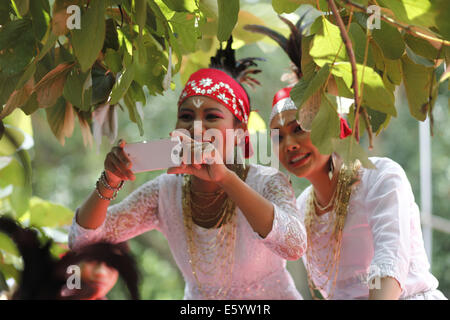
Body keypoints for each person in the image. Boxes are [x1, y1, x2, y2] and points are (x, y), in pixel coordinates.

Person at [68, 38, 307, 300]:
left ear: (239, 132)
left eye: (212, 117)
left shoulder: (267, 181)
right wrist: (110, 179)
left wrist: (226, 178)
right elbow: (83, 244)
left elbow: (294, 245)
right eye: (186, 116)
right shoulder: (165, 192)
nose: (196, 127)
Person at [248, 15, 447, 300]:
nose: (289, 144)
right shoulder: (303, 206)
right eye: (278, 137)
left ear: (331, 126)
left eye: (300, 129)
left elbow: (390, 268)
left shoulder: (380, 176)